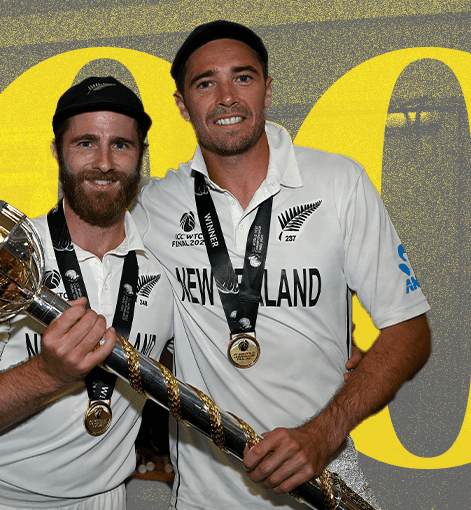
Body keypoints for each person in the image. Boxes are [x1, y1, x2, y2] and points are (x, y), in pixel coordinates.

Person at [132, 20, 432, 509]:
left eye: (243, 78)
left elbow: (410, 330)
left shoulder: (338, 183)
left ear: (268, 89)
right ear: (183, 105)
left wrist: (321, 435)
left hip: (325, 483)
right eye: (206, 83)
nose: (226, 97)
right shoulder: (155, 205)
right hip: (206, 498)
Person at [0, 76, 175, 510]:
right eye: (85, 143)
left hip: (103, 499)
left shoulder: (168, 265)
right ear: (58, 151)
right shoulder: (6, 260)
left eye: (121, 145)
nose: (103, 162)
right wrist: (48, 373)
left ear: (141, 157)